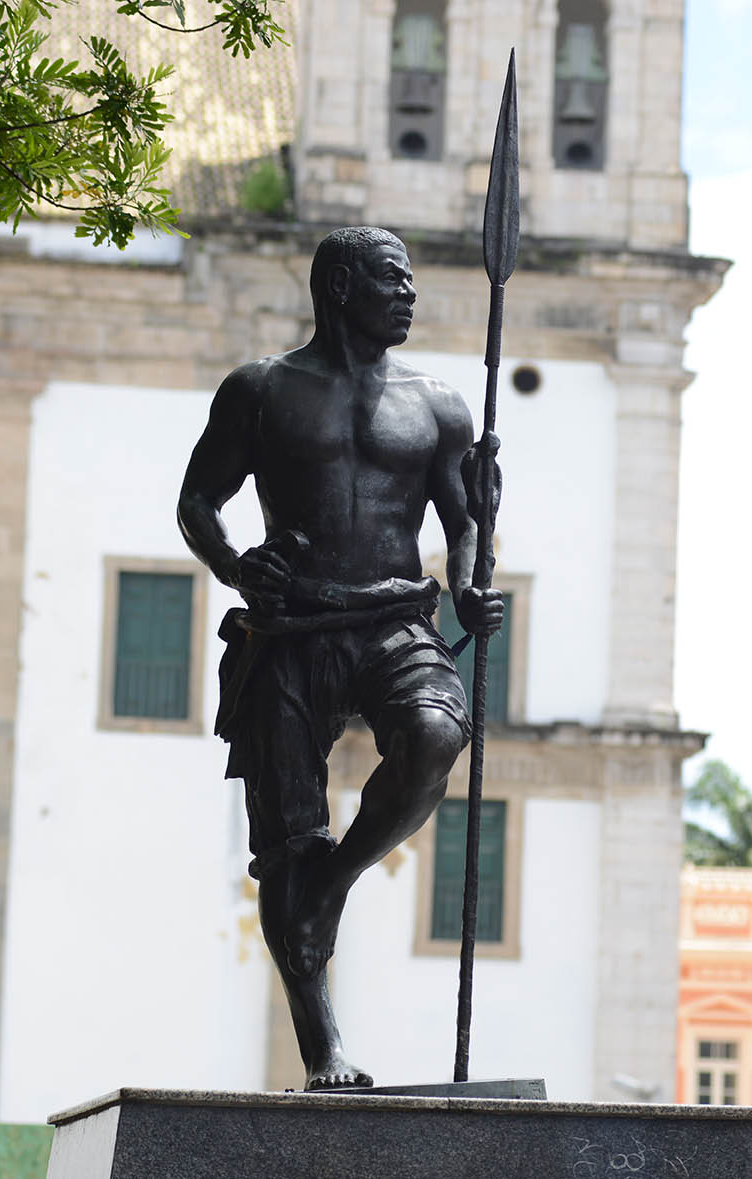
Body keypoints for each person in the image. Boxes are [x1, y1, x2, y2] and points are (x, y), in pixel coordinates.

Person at [177, 226, 503, 1091]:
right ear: (342, 286)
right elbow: (198, 501)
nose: (409, 296)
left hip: (397, 618)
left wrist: (468, 589)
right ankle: (323, 1049)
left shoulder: (438, 404)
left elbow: (465, 520)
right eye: (393, 281)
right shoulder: (261, 391)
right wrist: (238, 564)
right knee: (287, 842)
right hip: (292, 627)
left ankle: (339, 879)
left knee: (437, 736)